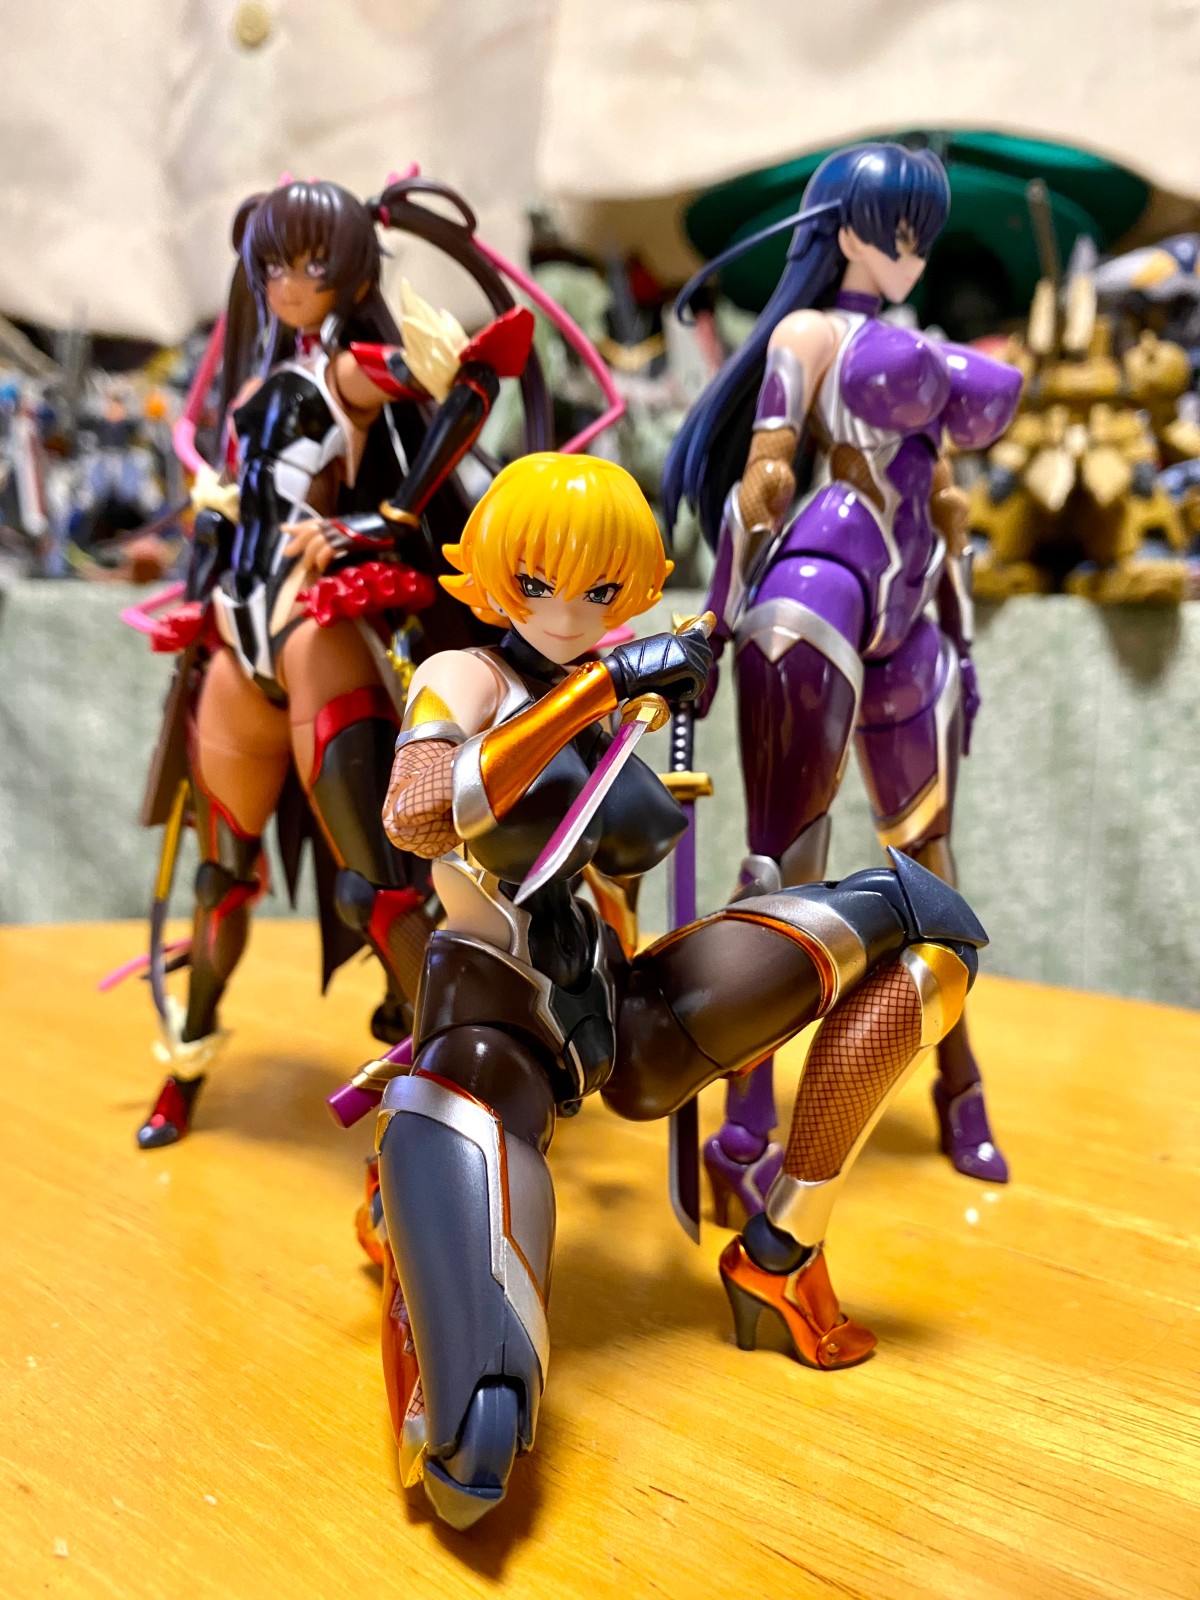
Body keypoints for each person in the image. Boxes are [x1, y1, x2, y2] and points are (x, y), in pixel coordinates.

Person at [365, 450, 986, 1528]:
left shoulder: (615, 692)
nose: (568, 611)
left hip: (622, 1009)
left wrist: (645, 697)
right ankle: (407, 1211)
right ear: (495, 575)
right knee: (479, 1432)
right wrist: (598, 690)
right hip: (494, 1033)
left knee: (931, 929)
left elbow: (629, 846)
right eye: (538, 582)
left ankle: (783, 1250)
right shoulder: (467, 678)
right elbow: (417, 813)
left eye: (600, 589)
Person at [135, 176, 548, 1148]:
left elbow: (481, 371)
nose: (288, 283)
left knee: (379, 884)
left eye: (313, 264)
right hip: (237, 636)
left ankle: (451, 1075)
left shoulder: (350, 371)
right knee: (218, 879)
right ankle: (187, 1059)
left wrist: (388, 516)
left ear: (354, 273)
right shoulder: (255, 384)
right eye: (274, 264)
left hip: (310, 631)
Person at [661, 142, 1022, 1217]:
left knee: (931, 859)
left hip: (909, 606)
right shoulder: (807, 335)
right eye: (893, 228)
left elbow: (943, 489)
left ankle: (960, 1080)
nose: (910, 251)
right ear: (843, 227)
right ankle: (745, 1114)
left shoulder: (924, 349)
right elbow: (769, 465)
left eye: (923, 232)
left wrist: (959, 582)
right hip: (823, 581)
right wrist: (725, 589)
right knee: (785, 868)